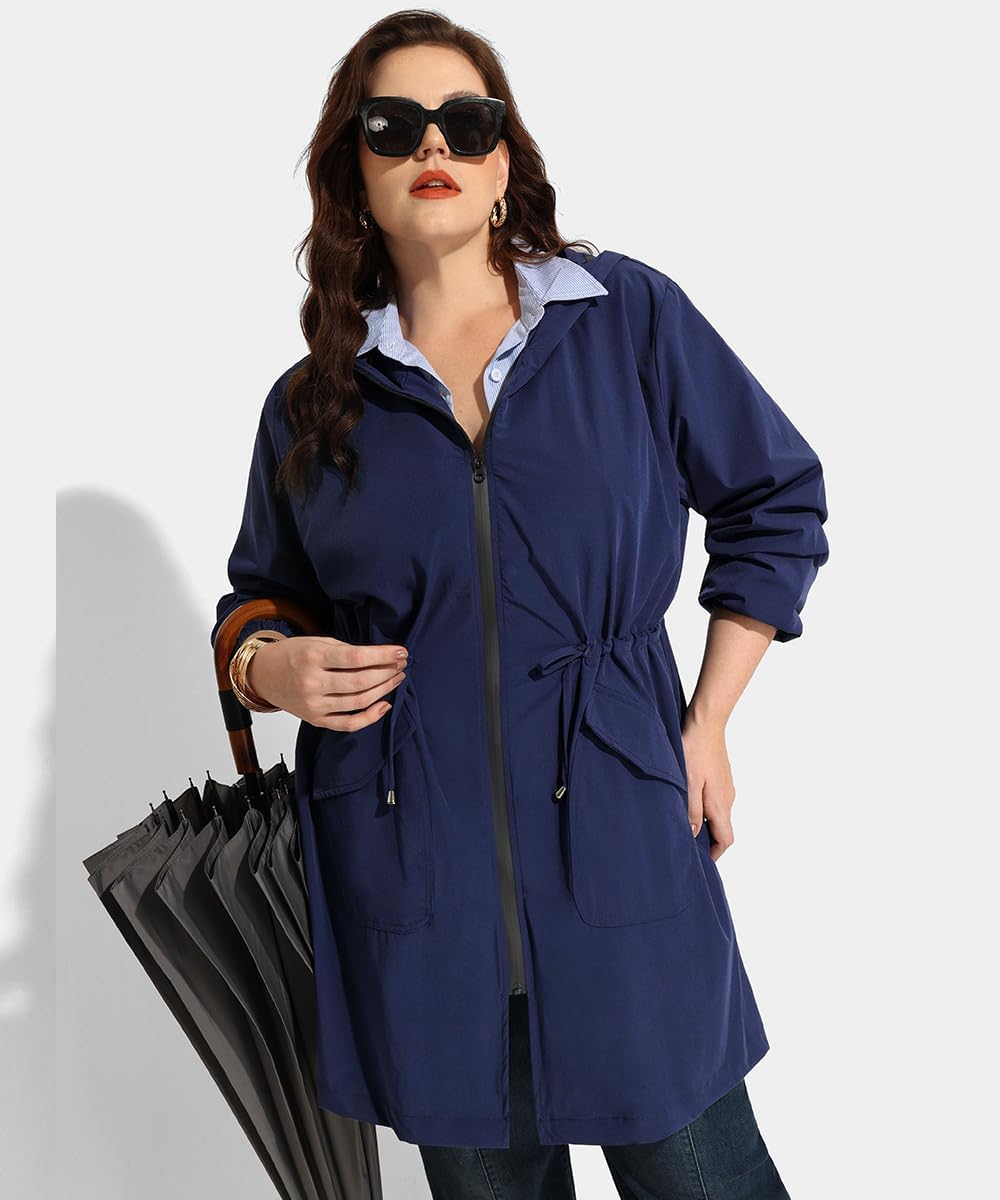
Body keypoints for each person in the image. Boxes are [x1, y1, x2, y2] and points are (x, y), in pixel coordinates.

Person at [212, 10, 829, 1198]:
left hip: (621, 827)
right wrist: (266, 666)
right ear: (353, 176)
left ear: (503, 166)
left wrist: (707, 721)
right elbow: (261, 596)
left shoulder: (624, 319)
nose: (430, 144)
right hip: (409, 867)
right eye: (392, 126)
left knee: (705, 1175)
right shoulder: (312, 402)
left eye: (465, 121)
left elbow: (774, 497)